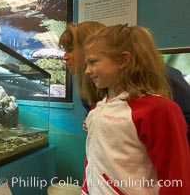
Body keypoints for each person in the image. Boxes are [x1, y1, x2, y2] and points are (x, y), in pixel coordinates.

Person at [80, 24, 190, 194]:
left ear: (123, 60)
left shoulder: (159, 110)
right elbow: (94, 159)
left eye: (93, 62)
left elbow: (174, 175)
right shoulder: (97, 108)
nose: (87, 71)